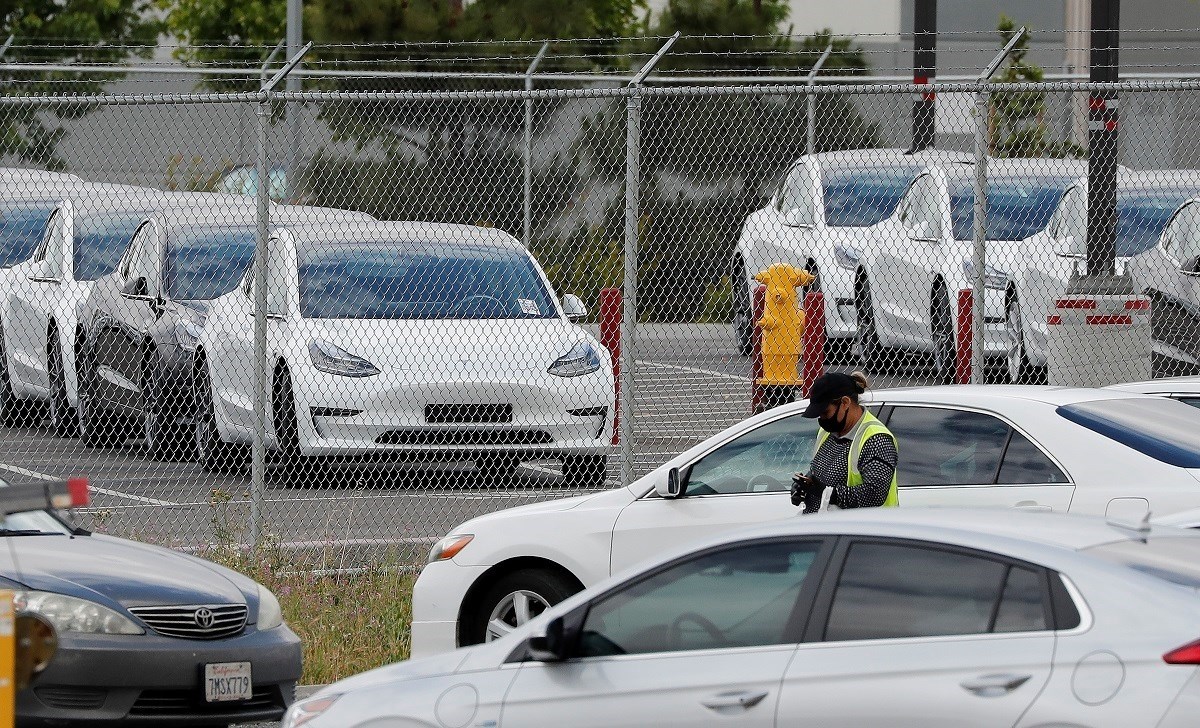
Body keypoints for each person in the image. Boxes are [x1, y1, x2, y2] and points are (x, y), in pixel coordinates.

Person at [791, 371, 898, 513]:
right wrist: (804, 487)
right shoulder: (827, 433)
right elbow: (818, 473)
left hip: (861, 531)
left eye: (825, 412)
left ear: (845, 403)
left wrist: (830, 494)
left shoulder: (876, 439)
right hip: (826, 528)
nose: (822, 419)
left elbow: (875, 494)